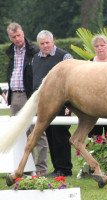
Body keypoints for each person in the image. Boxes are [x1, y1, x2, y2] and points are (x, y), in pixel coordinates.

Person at [6, 22, 48, 176]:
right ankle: (24, 169)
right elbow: (12, 71)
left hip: (30, 96)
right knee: (18, 134)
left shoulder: (34, 50)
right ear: (9, 38)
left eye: (18, 35)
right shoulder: (10, 51)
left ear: (22, 33)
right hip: (14, 96)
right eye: (13, 37)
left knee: (38, 133)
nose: (17, 39)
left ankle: (41, 169)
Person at [32, 30, 73, 177]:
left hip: (62, 104)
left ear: (53, 41)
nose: (45, 46)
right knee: (50, 135)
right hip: (44, 105)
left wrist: (69, 106)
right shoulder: (35, 58)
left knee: (60, 135)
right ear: (39, 44)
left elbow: (72, 81)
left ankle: (65, 169)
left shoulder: (64, 56)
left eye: (47, 42)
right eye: (42, 43)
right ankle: (57, 169)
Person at [88, 34, 107, 138]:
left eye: (102, 45)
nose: (100, 48)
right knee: (95, 138)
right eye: (97, 46)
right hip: (94, 106)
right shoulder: (89, 63)